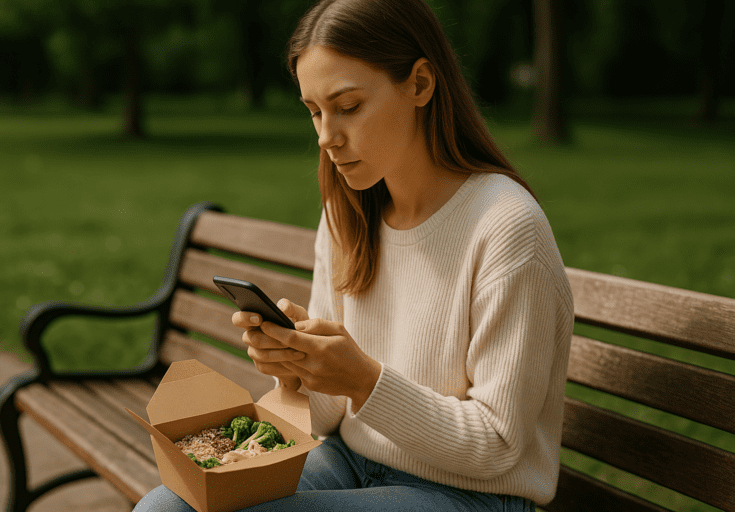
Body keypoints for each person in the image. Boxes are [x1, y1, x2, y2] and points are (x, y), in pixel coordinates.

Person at [133, 0, 573, 510]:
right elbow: (324, 416)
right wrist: (298, 367)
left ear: (421, 85)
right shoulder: (348, 213)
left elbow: (498, 447)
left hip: (469, 493)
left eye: (348, 107)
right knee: (164, 507)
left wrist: (364, 382)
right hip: (349, 460)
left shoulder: (504, 227)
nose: (326, 138)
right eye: (314, 111)